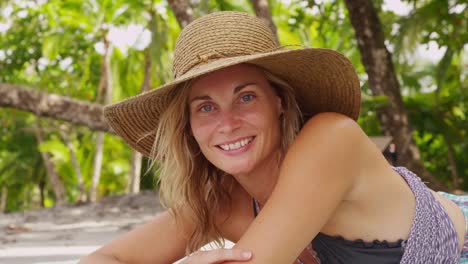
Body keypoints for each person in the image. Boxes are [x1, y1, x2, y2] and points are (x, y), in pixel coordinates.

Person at [80, 11, 468, 264]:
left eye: (245, 97)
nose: (227, 123)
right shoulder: (222, 202)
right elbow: (103, 260)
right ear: (189, 127)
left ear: (280, 102)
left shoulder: (331, 139)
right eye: (206, 107)